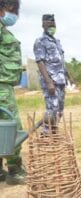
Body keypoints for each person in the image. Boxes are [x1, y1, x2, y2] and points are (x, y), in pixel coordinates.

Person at [0, 0, 26, 185]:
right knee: (11, 127)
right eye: (13, 10)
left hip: (4, 86)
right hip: (1, 88)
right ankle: (14, 171)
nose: (15, 15)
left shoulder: (3, 31)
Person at [33, 14, 72, 132]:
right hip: (50, 81)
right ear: (43, 25)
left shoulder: (57, 42)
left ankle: (53, 131)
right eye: (49, 24)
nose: (52, 26)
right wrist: (49, 82)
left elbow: (61, 61)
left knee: (59, 109)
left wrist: (69, 76)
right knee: (52, 109)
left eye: (53, 24)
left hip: (60, 81)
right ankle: (46, 135)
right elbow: (40, 62)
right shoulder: (40, 41)